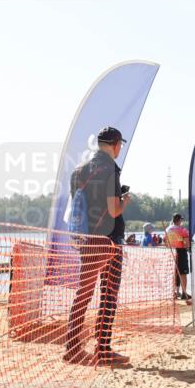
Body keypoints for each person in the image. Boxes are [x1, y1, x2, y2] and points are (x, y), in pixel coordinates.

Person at [64, 126, 132, 366]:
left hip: (86, 240)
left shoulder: (79, 170)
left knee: (82, 294)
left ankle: (71, 349)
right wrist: (124, 200)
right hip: (109, 241)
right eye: (120, 145)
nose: (120, 149)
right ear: (115, 144)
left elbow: (78, 208)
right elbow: (113, 210)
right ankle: (102, 350)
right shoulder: (110, 169)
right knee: (108, 296)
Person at [165, 214, 191, 300]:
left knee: (174, 273)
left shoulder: (168, 229)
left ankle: (174, 293)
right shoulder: (182, 229)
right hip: (181, 252)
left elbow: (165, 242)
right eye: (181, 220)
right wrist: (187, 247)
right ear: (179, 220)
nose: (181, 222)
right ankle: (184, 293)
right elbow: (186, 244)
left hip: (171, 251)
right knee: (183, 273)